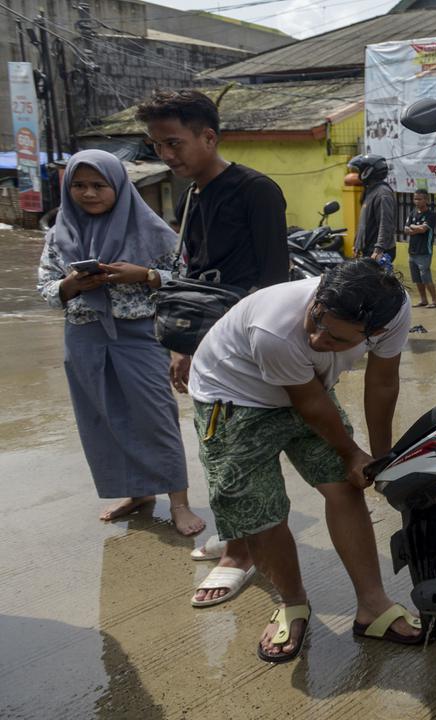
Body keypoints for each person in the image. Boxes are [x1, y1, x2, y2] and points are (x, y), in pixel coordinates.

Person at [187, 260, 422, 662]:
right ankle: (293, 602)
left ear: (375, 333)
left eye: (335, 338)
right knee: (260, 512)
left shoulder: (393, 313)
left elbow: (382, 382)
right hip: (231, 397)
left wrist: (380, 460)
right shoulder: (275, 328)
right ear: (318, 297)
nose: (316, 337)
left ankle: (373, 605)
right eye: (317, 320)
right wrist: (351, 451)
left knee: (346, 487)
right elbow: (310, 403)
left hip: (307, 384)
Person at [137, 88, 289, 606]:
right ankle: (240, 538)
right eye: (158, 146)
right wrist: (184, 347)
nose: (166, 155)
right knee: (216, 448)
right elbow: (192, 283)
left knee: (237, 453)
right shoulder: (192, 196)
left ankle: (241, 555)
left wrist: (248, 352)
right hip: (207, 345)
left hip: (245, 347)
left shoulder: (255, 191)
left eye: (174, 143)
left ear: (209, 135)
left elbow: (274, 283)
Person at [36, 150, 204, 537]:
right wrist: (71, 285)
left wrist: (143, 274)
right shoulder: (59, 233)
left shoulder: (152, 230)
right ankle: (137, 494)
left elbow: (183, 280)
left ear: (119, 187)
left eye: (99, 185)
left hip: (139, 336)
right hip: (83, 337)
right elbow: (44, 287)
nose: (88, 193)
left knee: (155, 417)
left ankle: (179, 503)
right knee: (103, 419)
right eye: (79, 185)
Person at [349, 154, 396, 272]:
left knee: (378, 287)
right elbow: (363, 223)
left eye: (360, 170)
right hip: (369, 250)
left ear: (368, 171)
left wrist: (378, 250)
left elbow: (386, 224)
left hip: (377, 252)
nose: (358, 174)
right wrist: (357, 244)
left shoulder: (382, 193)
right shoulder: (370, 191)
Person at [404, 189, 436, 307]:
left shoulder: (431, 215)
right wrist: (415, 228)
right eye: (415, 199)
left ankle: (435, 301)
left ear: (426, 200)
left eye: (420, 199)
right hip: (412, 251)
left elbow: (423, 229)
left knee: (426, 276)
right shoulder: (412, 213)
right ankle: (423, 300)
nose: (417, 201)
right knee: (417, 279)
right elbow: (406, 230)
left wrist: (413, 227)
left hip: (424, 251)